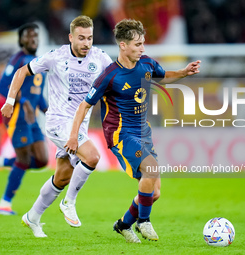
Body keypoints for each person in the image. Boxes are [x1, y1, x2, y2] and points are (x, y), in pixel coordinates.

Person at [64, 19, 201, 243]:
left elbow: (163, 76)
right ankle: (143, 222)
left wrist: (184, 72)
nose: (142, 48)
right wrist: (72, 136)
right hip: (121, 135)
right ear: (123, 45)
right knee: (151, 170)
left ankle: (123, 224)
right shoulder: (109, 75)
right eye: (137, 44)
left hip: (143, 132)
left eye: (143, 43)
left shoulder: (146, 63)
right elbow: (84, 105)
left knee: (153, 193)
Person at [1, 15, 112, 237]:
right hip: (58, 122)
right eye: (81, 38)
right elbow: (22, 71)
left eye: (89, 38)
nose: (86, 43)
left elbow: (115, 81)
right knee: (92, 157)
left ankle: (32, 217)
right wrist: (10, 101)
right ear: (71, 37)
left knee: (62, 177)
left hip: (80, 126)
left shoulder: (100, 58)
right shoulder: (56, 57)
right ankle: (69, 202)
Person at [0, 23, 49, 215]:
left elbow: (37, 93)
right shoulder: (17, 60)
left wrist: (50, 111)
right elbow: (2, 87)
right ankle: (4, 204)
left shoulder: (39, 63)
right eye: (29, 36)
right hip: (18, 118)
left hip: (33, 119)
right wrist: (21, 101)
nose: (33, 39)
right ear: (21, 40)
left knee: (41, 160)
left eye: (35, 36)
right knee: (23, 160)